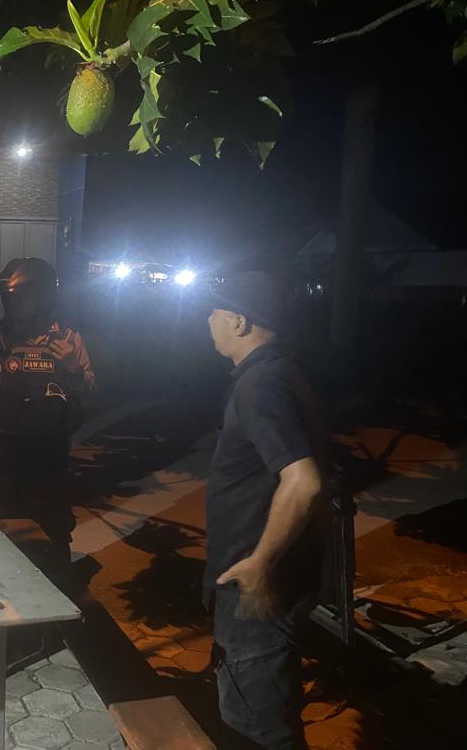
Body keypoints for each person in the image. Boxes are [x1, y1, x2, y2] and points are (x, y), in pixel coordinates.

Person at [204, 271, 327, 750]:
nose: (208, 319)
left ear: (239, 322)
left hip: (257, 586)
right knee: (261, 709)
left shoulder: (262, 385)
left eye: (215, 311)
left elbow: (304, 480)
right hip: (267, 576)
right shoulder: (279, 372)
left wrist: (261, 563)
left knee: (256, 728)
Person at [0, 257, 95, 577]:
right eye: (10, 298)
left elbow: (91, 391)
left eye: (22, 298)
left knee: (54, 522)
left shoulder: (69, 340)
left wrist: (72, 367)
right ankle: (4, 584)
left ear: (43, 297)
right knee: (2, 517)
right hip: (5, 450)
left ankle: (57, 583)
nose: (15, 305)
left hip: (49, 451)